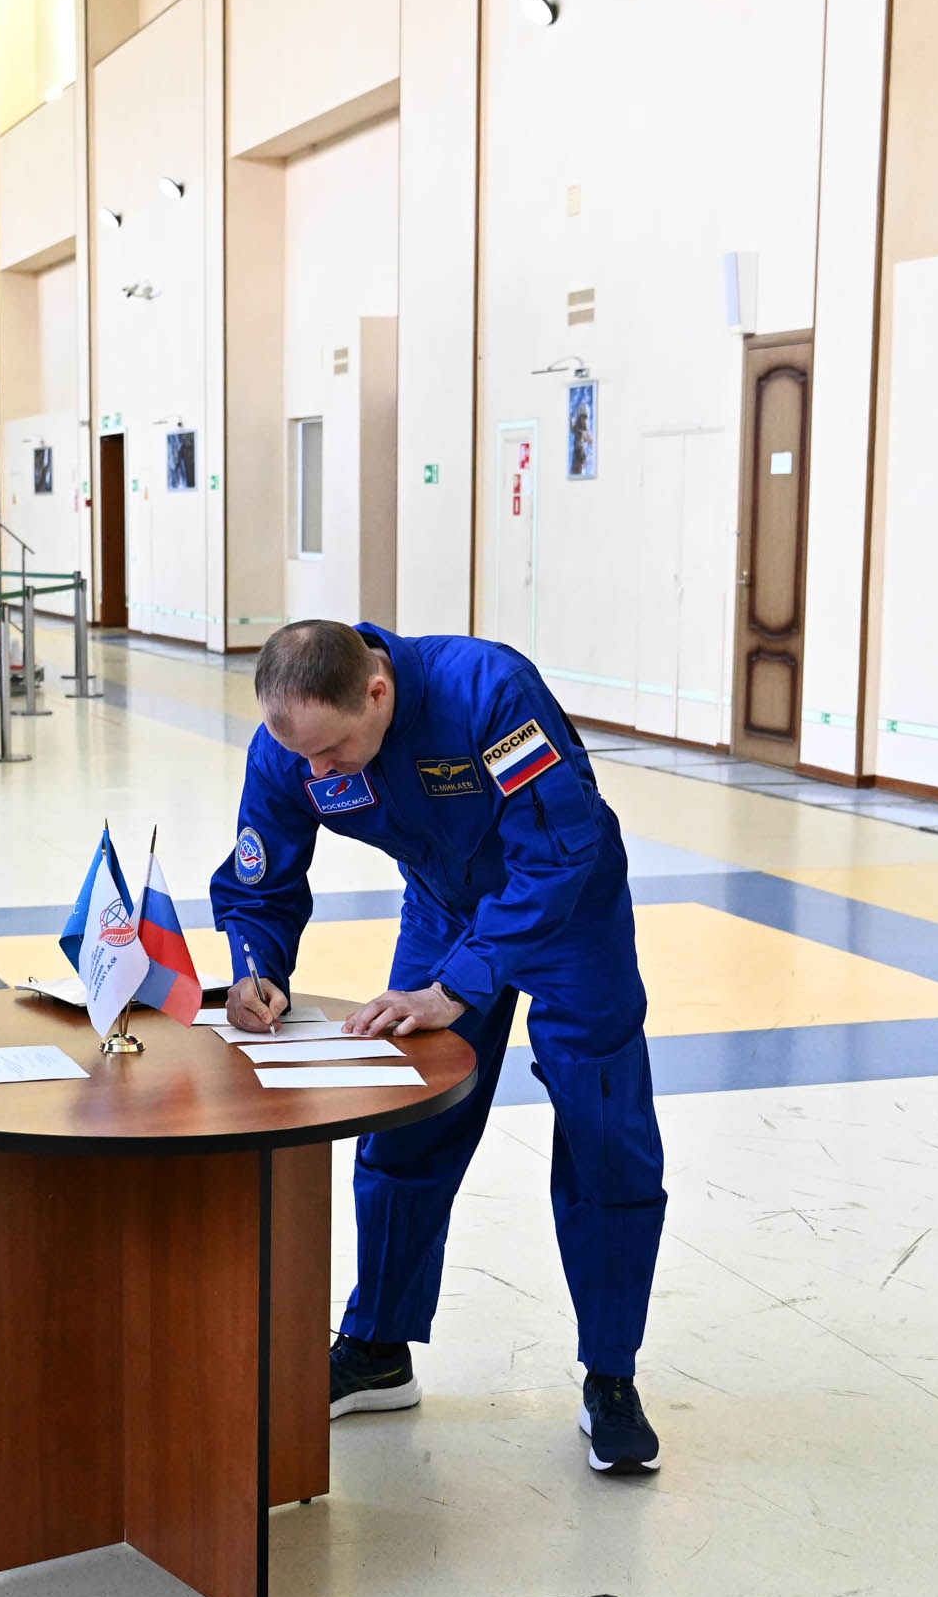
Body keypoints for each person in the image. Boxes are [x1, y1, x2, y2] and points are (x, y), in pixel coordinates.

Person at [210, 620, 669, 1475]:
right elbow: (260, 878)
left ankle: (611, 1376)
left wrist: (457, 987)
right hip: (441, 911)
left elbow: (557, 854)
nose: (319, 772)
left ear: (377, 692)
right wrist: (256, 969)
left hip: (569, 913)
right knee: (406, 1124)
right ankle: (379, 1348)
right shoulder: (294, 746)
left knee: (605, 1133)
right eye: (302, 755)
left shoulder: (489, 694)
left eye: (333, 752)